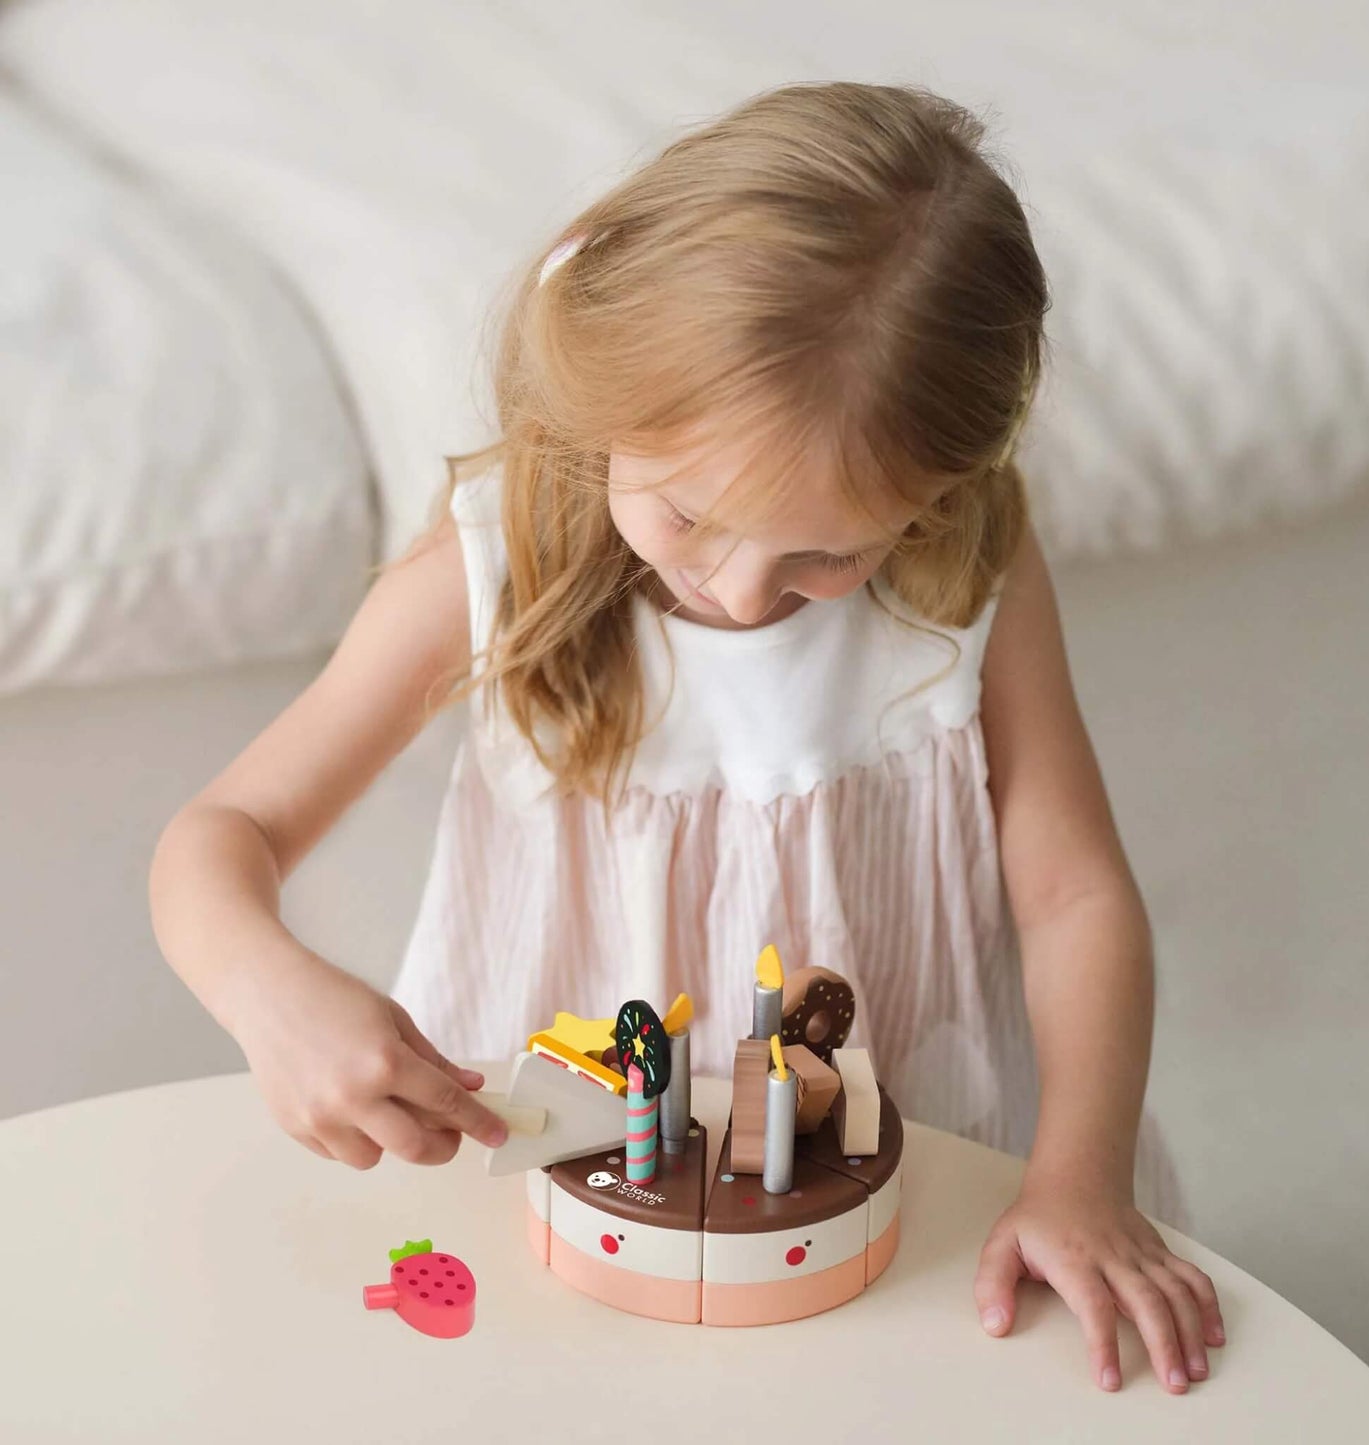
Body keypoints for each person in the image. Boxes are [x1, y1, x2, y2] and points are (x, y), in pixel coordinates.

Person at [150, 81, 1224, 1393]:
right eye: (688, 514)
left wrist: (1080, 1176)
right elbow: (222, 836)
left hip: (911, 1175)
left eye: (823, 552)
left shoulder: (967, 574)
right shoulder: (494, 563)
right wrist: (268, 989)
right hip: (556, 1179)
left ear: (939, 493)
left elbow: (1072, 892)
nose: (738, 590)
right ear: (599, 396)